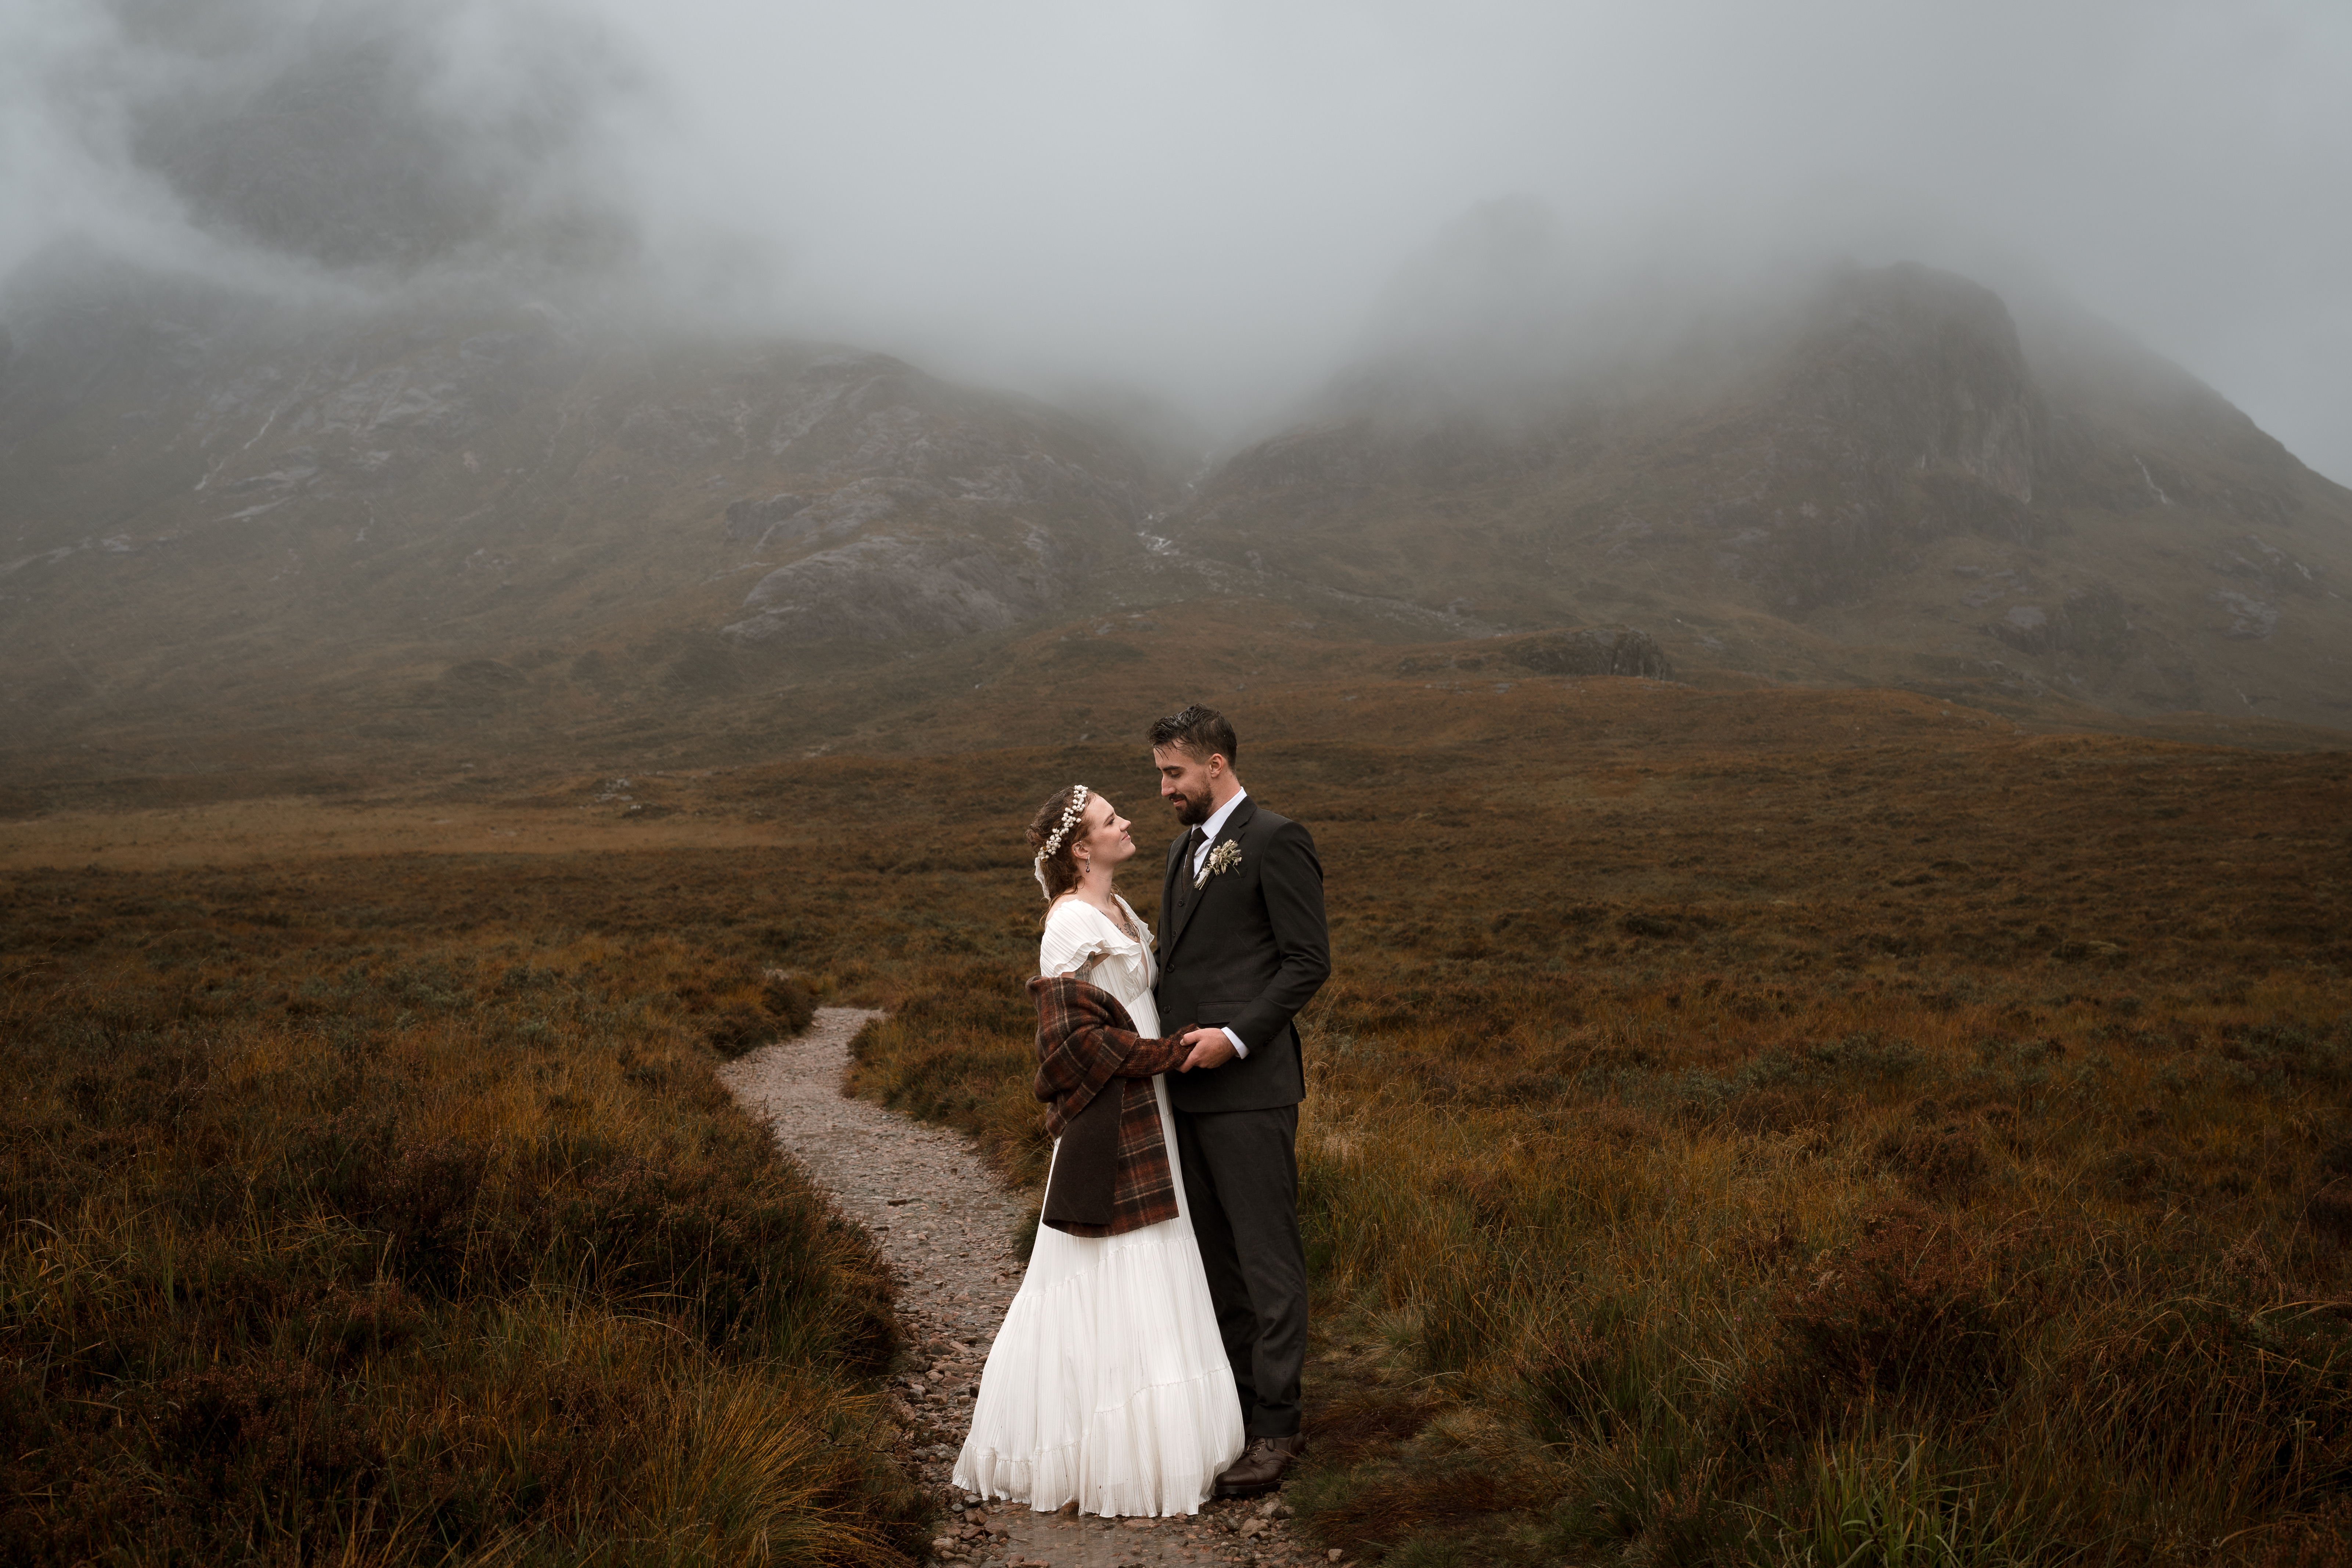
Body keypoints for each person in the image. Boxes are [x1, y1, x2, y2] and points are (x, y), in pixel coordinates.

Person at [953, 786, 1246, 1517]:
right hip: (1113, 1112)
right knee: (1111, 1262)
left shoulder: (1118, 911)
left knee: (1160, 1250)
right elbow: (1071, 1041)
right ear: (1081, 848)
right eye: (1110, 820)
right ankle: (1106, 1448)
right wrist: (1161, 1053)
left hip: (1152, 1104)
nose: (1126, 824)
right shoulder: (1070, 923)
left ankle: (1167, 1434)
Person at [1150, 704, 1331, 1497]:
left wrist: (1235, 1036)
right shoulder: (1182, 849)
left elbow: (1305, 962)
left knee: (1266, 1258)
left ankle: (1279, 1426)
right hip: (1185, 1094)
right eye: (1160, 773)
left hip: (1250, 1089)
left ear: (1216, 763)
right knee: (1215, 1261)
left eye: (1174, 773)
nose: (1163, 788)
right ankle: (1238, 1405)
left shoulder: (1274, 838)